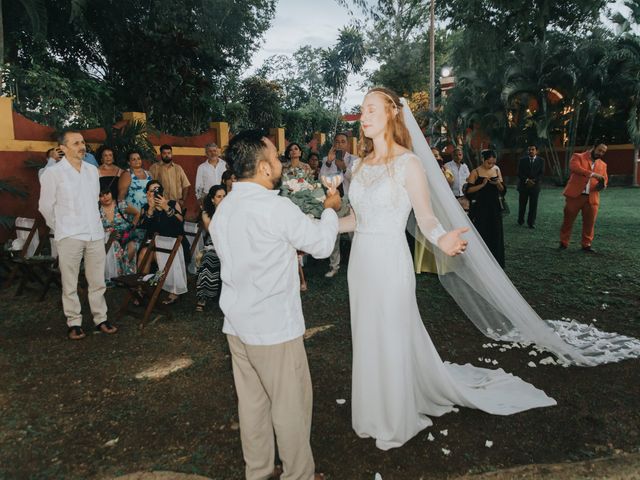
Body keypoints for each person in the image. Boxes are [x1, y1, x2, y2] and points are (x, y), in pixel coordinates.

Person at [338, 88, 555, 451]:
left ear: (393, 113)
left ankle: (394, 415)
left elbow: (425, 217)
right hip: (360, 265)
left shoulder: (409, 163)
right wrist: (322, 223)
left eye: (371, 109)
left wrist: (442, 240)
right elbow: (356, 219)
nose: (364, 116)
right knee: (366, 335)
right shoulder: (359, 166)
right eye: (362, 110)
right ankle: (371, 410)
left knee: (391, 335)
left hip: (391, 263)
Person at [210, 130, 341, 480]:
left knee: (253, 404)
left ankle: (260, 471)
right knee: (291, 407)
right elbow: (322, 245)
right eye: (276, 156)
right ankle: (298, 474)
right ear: (265, 168)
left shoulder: (225, 209)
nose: (281, 161)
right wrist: (330, 210)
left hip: (237, 325)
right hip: (273, 329)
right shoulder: (274, 207)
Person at [39, 131, 117, 340]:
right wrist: (60, 227)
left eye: (82, 142)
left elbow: (93, 201)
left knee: (97, 280)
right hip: (69, 235)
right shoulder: (53, 174)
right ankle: (74, 322)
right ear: (63, 148)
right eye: (76, 143)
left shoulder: (92, 171)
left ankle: (101, 318)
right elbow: (45, 206)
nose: (82, 146)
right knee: (70, 281)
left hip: (94, 233)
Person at [137, 180, 191, 305]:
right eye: (152, 190)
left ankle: (172, 290)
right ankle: (142, 287)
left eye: (158, 189)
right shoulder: (146, 207)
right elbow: (142, 226)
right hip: (153, 244)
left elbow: (179, 223)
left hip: (174, 244)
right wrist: (150, 209)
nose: (155, 193)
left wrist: (166, 207)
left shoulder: (172, 203)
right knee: (145, 252)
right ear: (147, 194)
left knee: (153, 253)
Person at [320, 133, 359, 278]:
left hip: (351, 202)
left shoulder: (355, 160)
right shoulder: (327, 160)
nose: (340, 144)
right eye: (337, 142)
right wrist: (329, 163)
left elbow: (357, 180)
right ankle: (334, 266)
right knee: (334, 233)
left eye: (343, 142)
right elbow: (322, 178)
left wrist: (344, 168)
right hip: (335, 202)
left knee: (354, 234)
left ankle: (357, 264)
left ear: (347, 144)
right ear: (333, 144)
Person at [559, 141, 608, 253]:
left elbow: (605, 180)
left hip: (592, 198)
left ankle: (586, 245)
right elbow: (575, 168)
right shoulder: (578, 156)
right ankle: (563, 243)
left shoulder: (603, 165)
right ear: (593, 147)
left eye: (603, 152)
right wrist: (593, 174)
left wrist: (602, 185)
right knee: (568, 221)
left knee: (590, 223)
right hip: (575, 196)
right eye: (599, 150)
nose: (601, 153)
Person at [465, 149, 506, 267]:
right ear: (483, 160)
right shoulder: (475, 172)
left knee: (496, 232)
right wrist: (482, 185)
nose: (491, 165)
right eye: (489, 163)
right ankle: (480, 261)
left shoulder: (497, 169)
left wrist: (498, 183)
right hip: (480, 207)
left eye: (493, 163)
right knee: (482, 231)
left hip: (494, 207)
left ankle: (496, 261)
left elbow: (503, 190)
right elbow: (468, 191)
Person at [195, 185, 226, 312]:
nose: (223, 199)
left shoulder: (233, 212)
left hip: (230, 246)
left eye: (225, 196)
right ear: (212, 199)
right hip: (213, 245)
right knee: (209, 259)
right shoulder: (206, 214)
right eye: (219, 197)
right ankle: (203, 296)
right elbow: (212, 231)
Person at [99, 188, 138, 279]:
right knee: (114, 244)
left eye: (107, 193)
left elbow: (137, 213)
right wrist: (109, 233)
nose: (105, 197)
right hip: (107, 240)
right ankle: (116, 276)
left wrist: (132, 226)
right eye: (101, 195)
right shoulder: (97, 209)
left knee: (132, 246)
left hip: (125, 236)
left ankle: (125, 274)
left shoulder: (121, 204)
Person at [149, 144, 191, 209]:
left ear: (172, 154)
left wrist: (182, 200)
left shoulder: (178, 168)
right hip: (160, 204)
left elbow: (186, 185)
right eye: (164, 153)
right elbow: (150, 186)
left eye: (169, 153)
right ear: (161, 154)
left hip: (176, 203)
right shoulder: (154, 168)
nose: (167, 155)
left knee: (176, 219)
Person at [517, 144, 545, 228]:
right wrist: (527, 180)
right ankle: (520, 220)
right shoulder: (522, 160)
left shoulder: (541, 160)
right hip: (523, 186)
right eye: (529, 150)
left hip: (535, 186)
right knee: (522, 205)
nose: (531, 151)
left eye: (533, 149)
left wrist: (534, 181)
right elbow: (519, 172)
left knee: (533, 205)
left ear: (536, 151)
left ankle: (531, 222)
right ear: (527, 151)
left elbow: (541, 173)